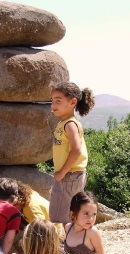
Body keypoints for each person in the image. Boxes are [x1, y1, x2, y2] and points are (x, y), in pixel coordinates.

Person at [49, 81, 95, 226]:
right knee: (66, 213)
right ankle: (71, 244)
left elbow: (76, 150)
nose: (53, 105)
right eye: (52, 101)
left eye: (58, 101)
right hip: (70, 175)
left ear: (73, 102)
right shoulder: (63, 123)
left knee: (61, 216)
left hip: (69, 175)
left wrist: (62, 172)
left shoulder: (70, 124)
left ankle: (65, 246)